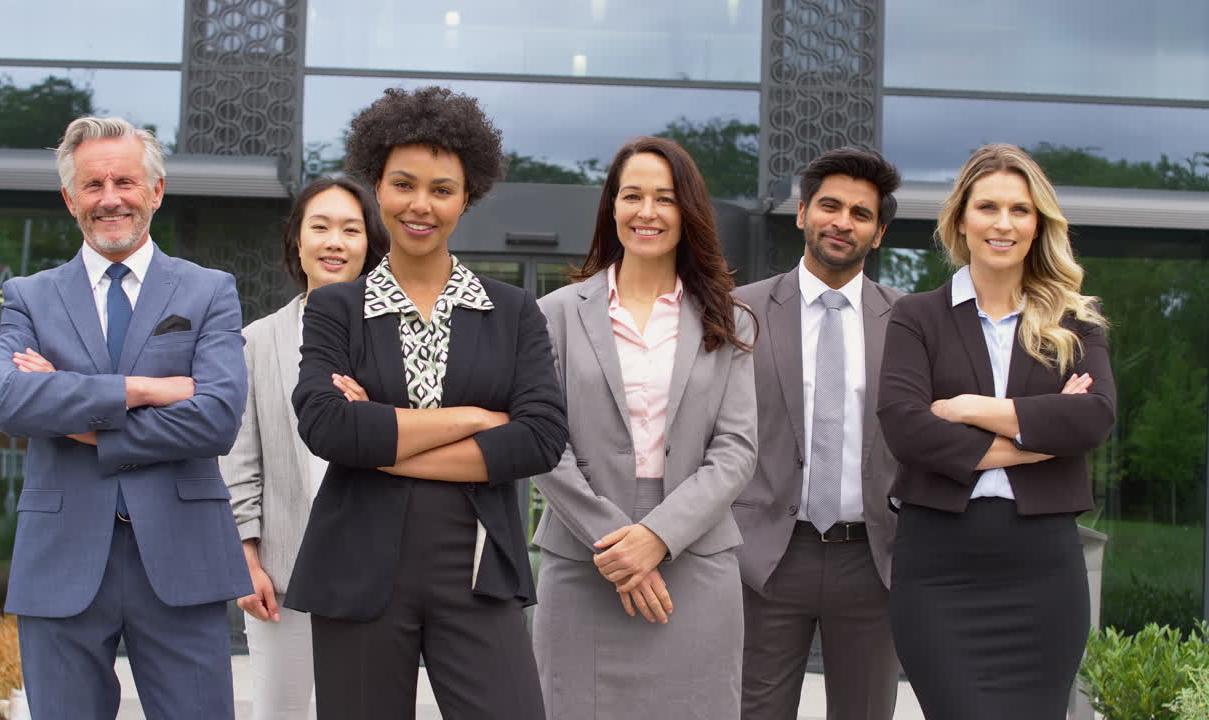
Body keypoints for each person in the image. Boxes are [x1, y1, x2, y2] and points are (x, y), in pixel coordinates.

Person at [285, 86, 568, 720]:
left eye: (442, 189)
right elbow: (327, 425)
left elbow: (541, 437)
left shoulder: (512, 310)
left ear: (467, 197)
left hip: (475, 563)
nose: (421, 205)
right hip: (357, 566)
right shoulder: (337, 307)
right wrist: (471, 419)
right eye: (403, 184)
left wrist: (381, 443)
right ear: (377, 186)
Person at [0, 116, 251, 719]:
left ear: (155, 191)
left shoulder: (209, 291)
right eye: (93, 184)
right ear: (69, 198)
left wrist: (74, 411)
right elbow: (9, 403)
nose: (110, 199)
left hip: (183, 556)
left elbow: (215, 418)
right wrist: (143, 388)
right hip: (61, 558)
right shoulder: (29, 295)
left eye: (126, 182)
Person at [877, 143, 1116, 719]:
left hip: (1043, 569)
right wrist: (1036, 440)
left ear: (1039, 225)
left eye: (1020, 210)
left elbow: (1094, 417)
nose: (1003, 224)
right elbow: (905, 428)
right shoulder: (917, 315)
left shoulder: (1075, 321)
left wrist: (967, 407)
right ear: (961, 218)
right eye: (988, 207)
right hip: (939, 568)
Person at [531, 136, 758, 719]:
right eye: (633, 196)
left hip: (696, 560)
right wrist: (618, 544)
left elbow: (736, 449)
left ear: (688, 211)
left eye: (665, 197)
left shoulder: (728, 319)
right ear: (612, 207)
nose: (647, 212)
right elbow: (541, 440)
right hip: (584, 561)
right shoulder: (555, 314)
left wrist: (657, 538)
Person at [733, 147, 903, 720]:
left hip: (873, 561)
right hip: (766, 559)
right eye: (830, 205)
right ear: (802, 212)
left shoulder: (907, 323)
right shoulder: (740, 312)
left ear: (877, 234)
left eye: (860, 213)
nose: (842, 221)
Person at [220, 176, 389, 720]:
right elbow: (238, 461)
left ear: (370, 244)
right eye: (320, 227)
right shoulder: (257, 341)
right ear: (298, 240)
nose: (334, 241)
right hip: (284, 570)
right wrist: (245, 558)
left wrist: (373, 416)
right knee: (279, 712)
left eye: (350, 229)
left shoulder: (397, 338)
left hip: (380, 571)